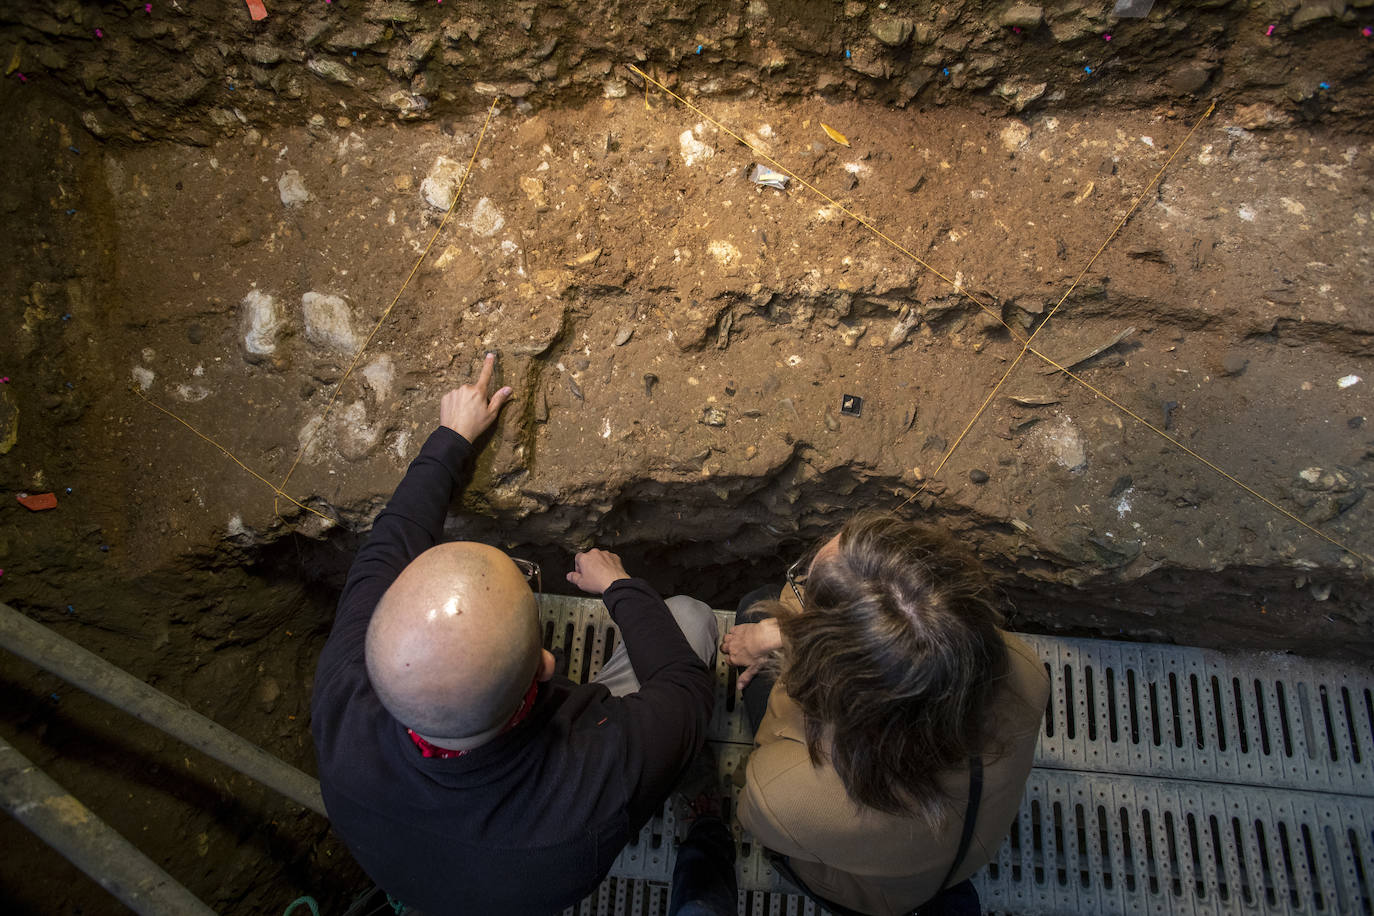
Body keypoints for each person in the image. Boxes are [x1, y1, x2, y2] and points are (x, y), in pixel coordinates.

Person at [311, 353, 718, 916]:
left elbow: (391, 540)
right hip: (540, 861)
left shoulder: (340, 707)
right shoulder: (592, 790)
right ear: (546, 667)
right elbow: (685, 691)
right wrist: (621, 586)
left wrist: (453, 437)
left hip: (448, 876)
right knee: (691, 620)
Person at [721, 513, 1050, 916]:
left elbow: (759, 819)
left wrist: (776, 634)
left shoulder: (783, 794)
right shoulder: (1023, 668)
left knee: (752, 607)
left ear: (833, 677)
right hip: (961, 853)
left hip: (870, 895)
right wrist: (792, 631)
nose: (802, 584)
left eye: (807, 584)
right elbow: (911, 645)